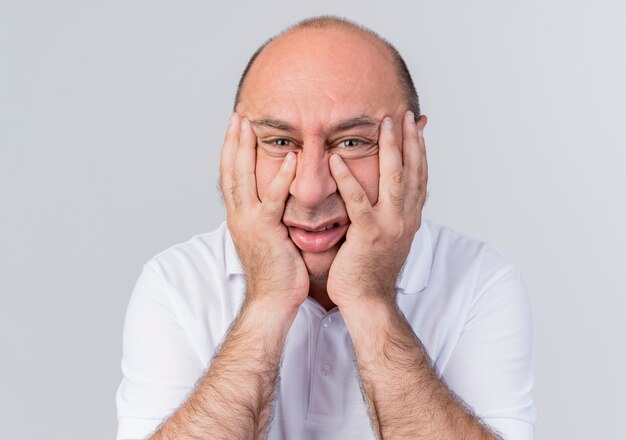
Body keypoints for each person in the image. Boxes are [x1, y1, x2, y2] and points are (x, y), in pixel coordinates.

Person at [116, 16, 536, 440]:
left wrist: (370, 302)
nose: (311, 190)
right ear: (236, 148)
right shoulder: (174, 282)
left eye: (352, 142)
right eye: (280, 142)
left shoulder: (482, 280)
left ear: (414, 146)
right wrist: (267, 302)